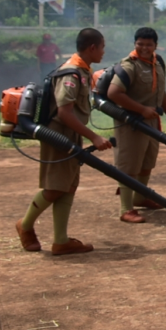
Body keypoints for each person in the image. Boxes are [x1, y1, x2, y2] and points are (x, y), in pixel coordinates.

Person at [15, 27, 111, 257]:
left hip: (70, 134)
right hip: (59, 135)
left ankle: (61, 240)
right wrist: (94, 137)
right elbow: (64, 113)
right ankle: (25, 225)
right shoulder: (71, 73)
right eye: (102, 47)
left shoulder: (82, 70)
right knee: (54, 187)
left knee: (67, 185)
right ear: (92, 48)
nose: (103, 52)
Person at [108, 27, 166, 224]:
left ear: (155, 45)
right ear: (134, 44)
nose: (144, 48)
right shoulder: (129, 66)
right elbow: (114, 93)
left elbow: (160, 91)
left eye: (148, 44)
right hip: (131, 123)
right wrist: (141, 109)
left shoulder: (158, 62)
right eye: (140, 44)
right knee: (129, 164)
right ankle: (126, 208)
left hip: (152, 121)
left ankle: (140, 197)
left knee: (147, 162)